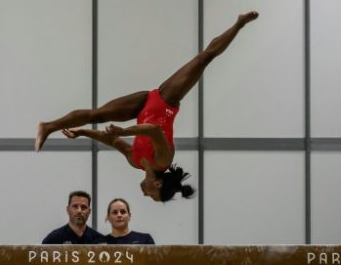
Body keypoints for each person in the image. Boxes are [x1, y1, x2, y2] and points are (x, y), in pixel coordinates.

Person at [35, 11, 259, 201]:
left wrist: (83, 132)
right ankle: (239, 23)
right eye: (152, 196)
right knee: (203, 59)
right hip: (165, 101)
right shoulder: (163, 161)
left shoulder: (136, 162)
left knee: (97, 115)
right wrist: (124, 130)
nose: (145, 196)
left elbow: (112, 140)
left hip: (142, 107)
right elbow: (153, 130)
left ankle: (48, 127)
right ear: (159, 185)